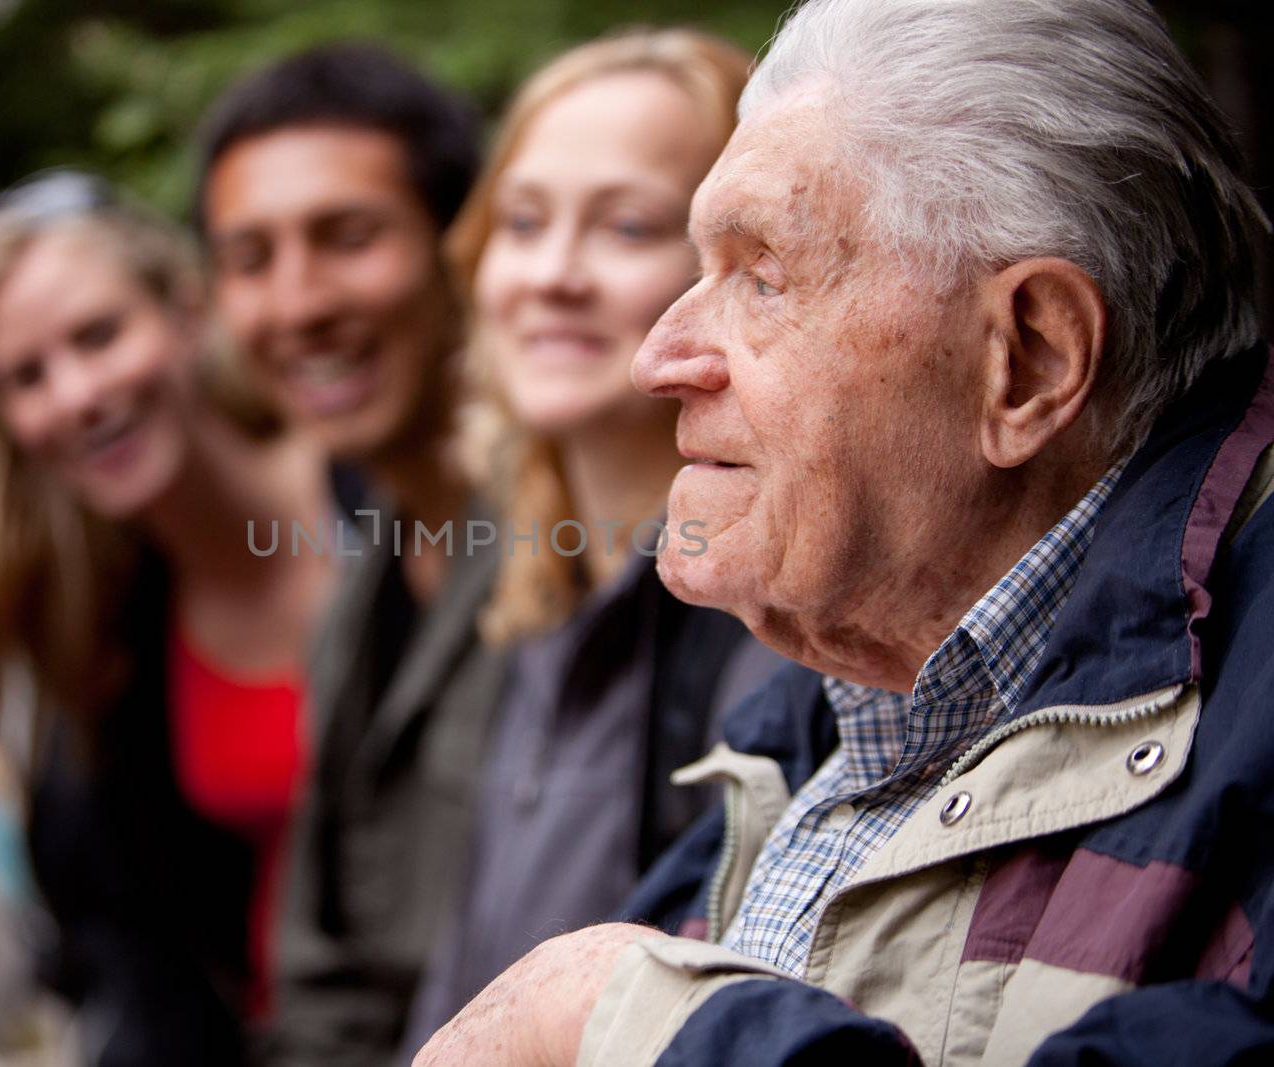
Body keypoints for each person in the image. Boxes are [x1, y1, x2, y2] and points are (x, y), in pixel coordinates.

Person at [416, 0, 1274, 1064]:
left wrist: (612, 1016)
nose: (660, 356)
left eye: (763, 276)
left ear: (1031, 358)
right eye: (698, 267)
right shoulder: (821, 716)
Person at [398, 29, 803, 1057]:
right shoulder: (520, 590)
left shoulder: (775, 623)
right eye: (522, 221)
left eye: (625, 225)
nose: (551, 274)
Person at [0, 172, 334, 1065]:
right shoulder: (106, 661)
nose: (75, 394)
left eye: (99, 336)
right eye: (27, 377)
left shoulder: (383, 499)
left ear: (187, 311)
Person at [196, 44, 507, 1065]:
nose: (297, 304)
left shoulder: (594, 553)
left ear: (463, 246)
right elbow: (321, 980)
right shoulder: (353, 599)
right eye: (251, 259)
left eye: (348, 237)